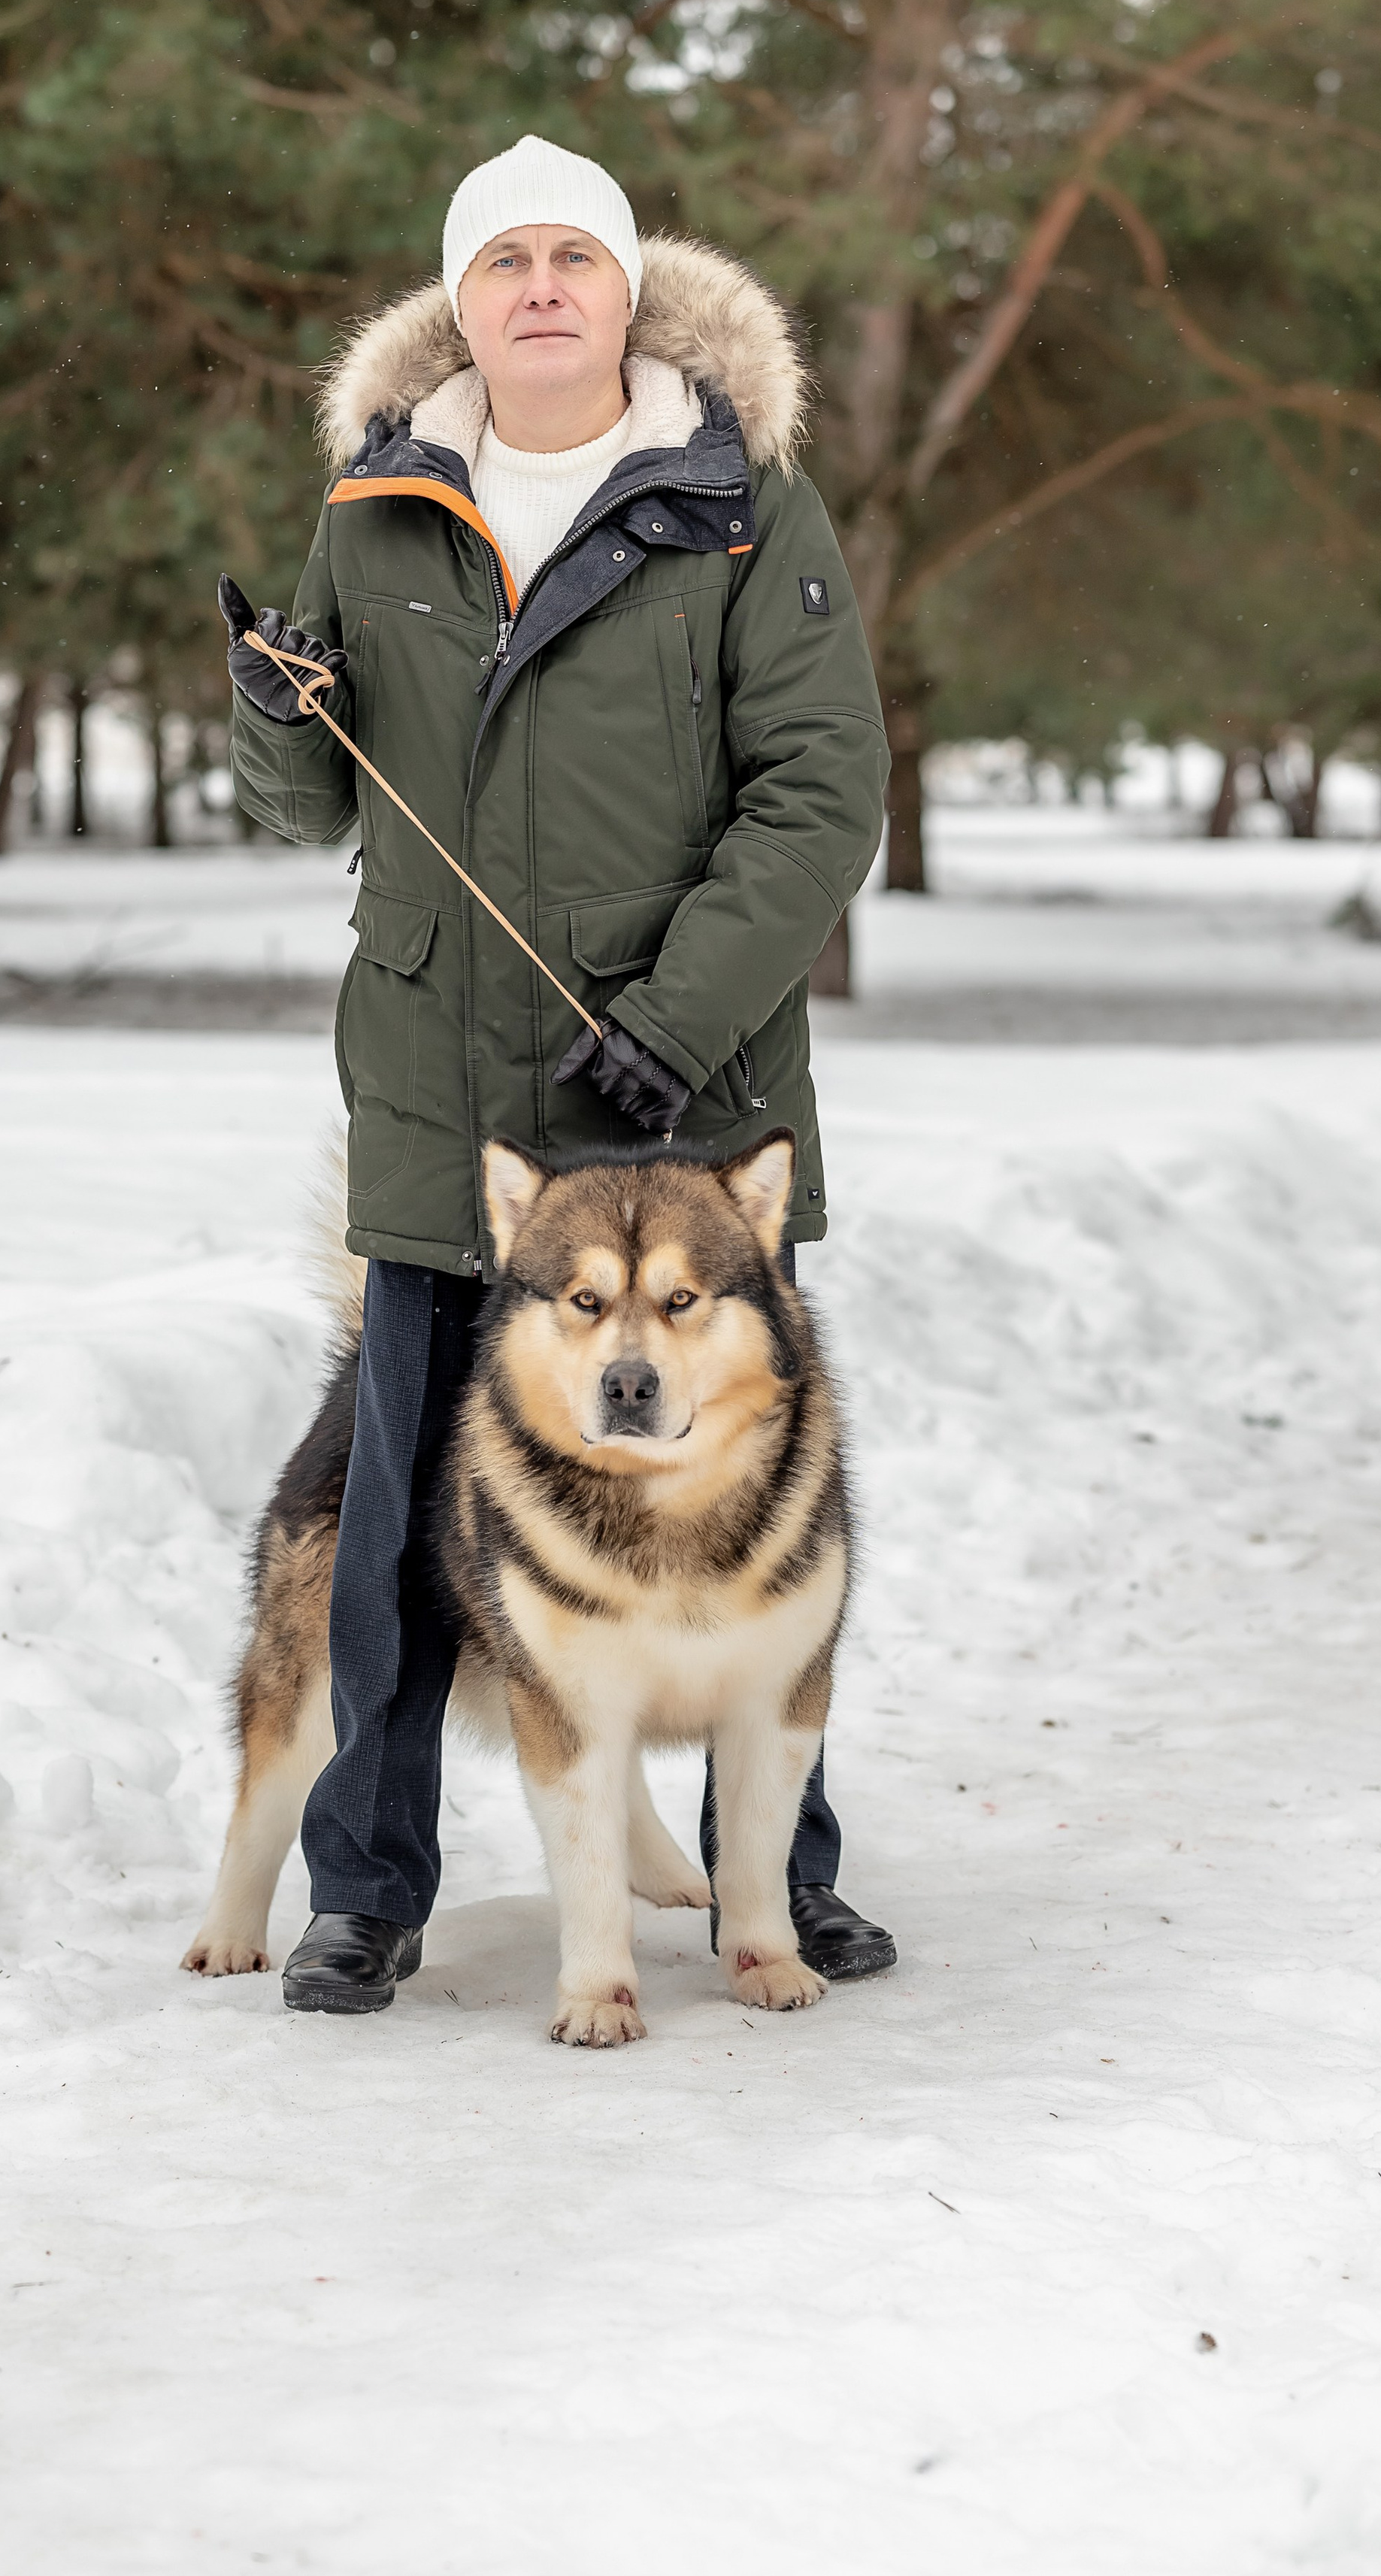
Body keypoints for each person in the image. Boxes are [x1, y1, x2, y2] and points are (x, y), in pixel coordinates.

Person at [225, 135, 896, 2013]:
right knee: (392, 1525)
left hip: (680, 1103)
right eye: (503, 261)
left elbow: (820, 791)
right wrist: (269, 714)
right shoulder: (378, 506)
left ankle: (782, 1878)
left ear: (625, 292)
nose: (538, 287)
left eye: (571, 258)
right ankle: (366, 1888)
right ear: (462, 304)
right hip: (440, 1097)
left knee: (744, 1505)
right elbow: (304, 801)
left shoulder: (740, 503)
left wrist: (677, 1019)